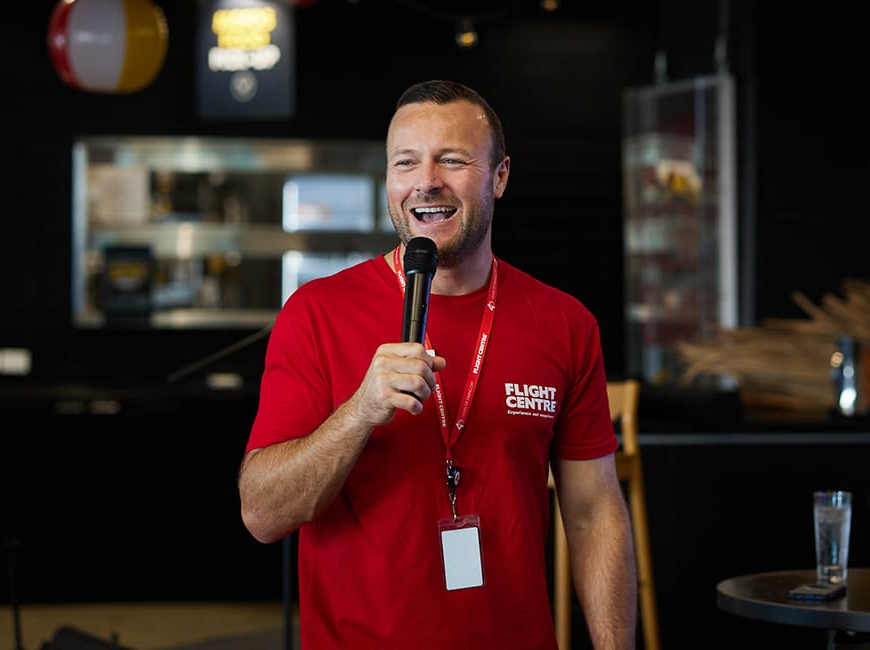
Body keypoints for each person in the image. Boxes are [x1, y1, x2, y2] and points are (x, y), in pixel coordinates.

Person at [238, 79, 637, 649]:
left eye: (452, 160)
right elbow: (263, 514)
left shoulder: (564, 323)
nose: (426, 181)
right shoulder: (316, 313)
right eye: (406, 162)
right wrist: (360, 412)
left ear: (500, 176)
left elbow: (595, 510)